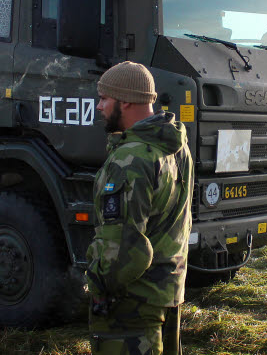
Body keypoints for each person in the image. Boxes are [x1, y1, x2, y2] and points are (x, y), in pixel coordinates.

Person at [87, 61, 194, 355]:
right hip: (169, 291)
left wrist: (96, 281)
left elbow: (124, 250)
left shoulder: (130, 160)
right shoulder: (177, 145)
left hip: (133, 304)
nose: (99, 107)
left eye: (104, 99)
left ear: (125, 101)